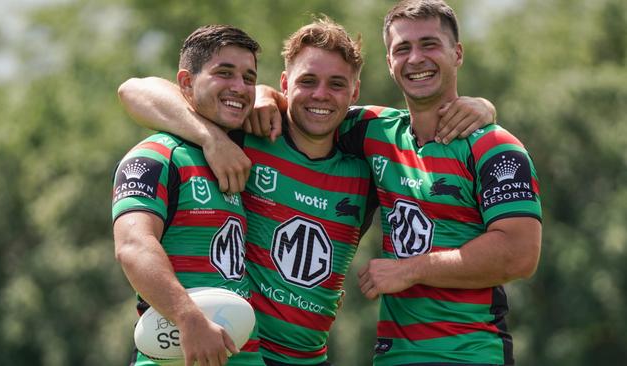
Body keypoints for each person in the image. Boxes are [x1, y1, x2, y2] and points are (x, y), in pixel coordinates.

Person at [117, 17, 496, 366]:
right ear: (284, 84)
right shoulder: (248, 134)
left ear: (354, 91)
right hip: (239, 349)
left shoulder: (367, 159)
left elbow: (420, 128)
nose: (320, 95)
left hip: (311, 358)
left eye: (336, 84)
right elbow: (135, 90)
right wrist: (212, 137)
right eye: (307, 81)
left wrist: (481, 106)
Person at [335, 1, 542, 365]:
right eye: (402, 48)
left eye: (429, 44)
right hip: (392, 356)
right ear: (389, 62)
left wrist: (411, 269)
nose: (416, 58)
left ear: (457, 53)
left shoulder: (495, 147)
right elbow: (301, 108)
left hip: (471, 355)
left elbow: (520, 254)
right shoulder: (373, 131)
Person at [112, 25, 264, 366]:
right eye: (224, 73)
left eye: (248, 77)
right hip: (177, 355)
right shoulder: (154, 156)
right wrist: (188, 318)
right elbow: (133, 246)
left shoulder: (244, 152)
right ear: (186, 83)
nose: (239, 87)